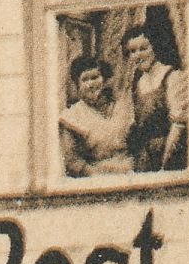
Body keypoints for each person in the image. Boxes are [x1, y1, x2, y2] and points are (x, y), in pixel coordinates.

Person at [119, 17, 189, 173]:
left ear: (154, 48)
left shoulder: (173, 77)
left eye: (143, 48)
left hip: (171, 154)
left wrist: (164, 165)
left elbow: (178, 126)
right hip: (145, 158)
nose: (138, 55)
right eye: (132, 51)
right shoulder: (136, 84)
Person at [57, 51, 133, 180]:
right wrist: (98, 175)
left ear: (104, 80)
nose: (91, 84)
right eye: (85, 79)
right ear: (77, 85)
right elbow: (72, 160)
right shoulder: (72, 116)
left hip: (131, 175)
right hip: (97, 179)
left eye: (95, 77)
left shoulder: (121, 107)